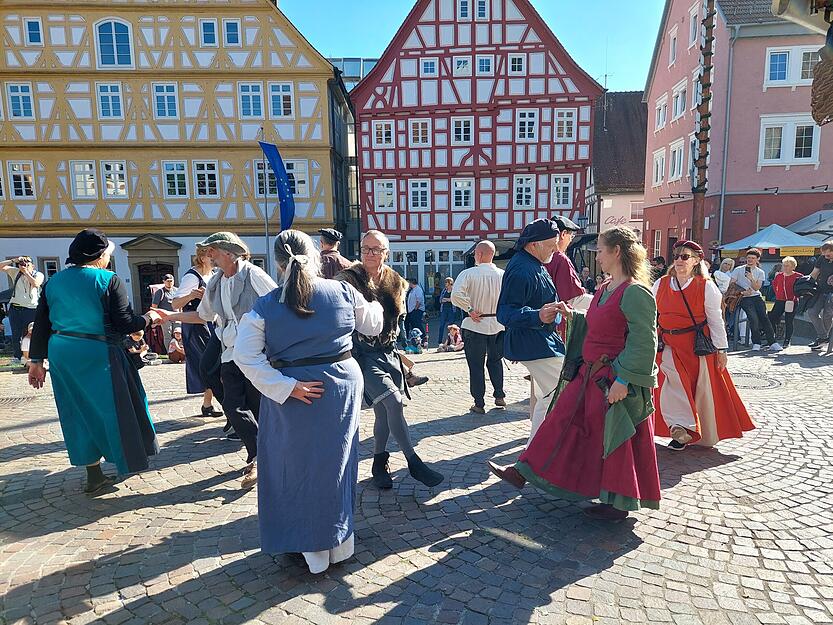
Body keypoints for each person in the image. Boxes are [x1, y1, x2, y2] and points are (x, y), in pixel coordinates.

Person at [234, 230, 384, 574]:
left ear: (277, 263)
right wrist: (373, 295)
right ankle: (339, 545)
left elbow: (245, 355)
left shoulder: (267, 305)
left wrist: (285, 386)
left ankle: (313, 550)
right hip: (339, 387)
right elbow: (374, 325)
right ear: (315, 256)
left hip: (296, 391)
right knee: (337, 463)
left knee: (296, 468)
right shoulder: (344, 290)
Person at [488, 227, 661, 521]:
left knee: (613, 438)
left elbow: (644, 340)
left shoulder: (635, 292)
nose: (599, 257)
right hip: (589, 375)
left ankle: (617, 502)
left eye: (602, 251)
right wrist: (573, 317)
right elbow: (598, 323)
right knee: (559, 419)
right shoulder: (606, 287)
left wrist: (623, 380)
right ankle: (524, 471)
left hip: (612, 380)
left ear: (617, 252)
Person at [27, 229, 162, 494]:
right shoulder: (108, 279)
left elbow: (42, 322)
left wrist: (35, 360)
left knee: (76, 410)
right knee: (113, 408)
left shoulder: (54, 282)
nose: (108, 260)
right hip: (98, 351)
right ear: (99, 255)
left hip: (62, 352)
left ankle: (94, 474)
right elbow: (125, 323)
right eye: (107, 254)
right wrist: (149, 319)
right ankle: (126, 459)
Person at [159, 232, 277, 489]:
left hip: (256, 350)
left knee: (254, 406)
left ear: (228, 252)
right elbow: (203, 316)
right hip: (230, 350)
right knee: (233, 405)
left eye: (212, 250)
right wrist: (169, 316)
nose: (208, 254)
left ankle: (263, 457)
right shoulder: (216, 282)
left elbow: (278, 304)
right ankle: (259, 455)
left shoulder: (252, 275)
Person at [336, 230, 444, 489]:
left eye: (376, 249)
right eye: (365, 249)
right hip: (361, 354)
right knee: (393, 403)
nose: (370, 254)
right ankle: (413, 462)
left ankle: (378, 462)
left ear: (386, 253)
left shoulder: (396, 281)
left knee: (383, 413)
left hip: (388, 354)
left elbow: (398, 322)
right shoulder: (347, 280)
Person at [652, 241, 754, 451]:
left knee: (698, 391)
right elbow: (651, 315)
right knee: (672, 382)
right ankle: (679, 429)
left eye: (685, 256)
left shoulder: (706, 286)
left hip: (696, 348)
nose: (679, 260)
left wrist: (722, 350)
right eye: (677, 256)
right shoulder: (660, 284)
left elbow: (716, 320)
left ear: (696, 261)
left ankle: (692, 431)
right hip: (668, 345)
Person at [497, 219, 564, 442]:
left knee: (549, 395)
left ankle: (535, 453)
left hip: (540, 340)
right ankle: (538, 454)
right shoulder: (522, 269)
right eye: (550, 245)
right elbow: (504, 313)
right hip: (534, 342)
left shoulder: (532, 264)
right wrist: (537, 315)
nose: (555, 249)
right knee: (562, 391)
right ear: (533, 244)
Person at [451, 241, 507, 414]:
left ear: (480, 254)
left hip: (475, 324)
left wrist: (470, 309)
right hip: (497, 324)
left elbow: (456, 295)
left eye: (476, 253)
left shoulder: (468, 273)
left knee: (476, 366)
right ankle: (499, 395)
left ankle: (479, 402)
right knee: (496, 362)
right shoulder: (503, 275)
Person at [172, 247, 222, 418]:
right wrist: (192, 296)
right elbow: (175, 303)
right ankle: (220, 406)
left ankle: (207, 405)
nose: (213, 258)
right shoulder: (192, 277)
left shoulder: (214, 273)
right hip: (196, 327)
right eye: (210, 255)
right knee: (210, 366)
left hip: (211, 323)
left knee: (214, 365)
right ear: (202, 258)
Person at [729, 248, 781, 351]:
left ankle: (772, 342)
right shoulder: (738, 269)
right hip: (744, 297)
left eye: (753, 258)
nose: (750, 260)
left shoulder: (760, 272)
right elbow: (731, 284)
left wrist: (751, 278)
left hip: (756, 296)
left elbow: (757, 287)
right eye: (748, 258)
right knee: (753, 318)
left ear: (757, 259)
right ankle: (756, 342)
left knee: (764, 318)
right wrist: (742, 292)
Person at [1, 256, 44, 366]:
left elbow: (36, 284)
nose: (24, 265)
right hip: (15, 308)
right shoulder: (16, 272)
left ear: (33, 265)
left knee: (33, 333)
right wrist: (14, 260)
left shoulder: (38, 274)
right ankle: (18, 356)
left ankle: (36, 356)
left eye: (27, 263)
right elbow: (1, 266)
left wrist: (26, 272)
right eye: (22, 263)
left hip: (31, 308)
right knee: (16, 334)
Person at [544, 216, 593, 311]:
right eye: (571, 236)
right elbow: (574, 299)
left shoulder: (539, 255)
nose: (570, 240)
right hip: (555, 317)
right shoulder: (560, 259)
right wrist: (602, 302)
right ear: (563, 234)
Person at [767, 257, 803, 348]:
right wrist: (779, 294)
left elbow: (802, 289)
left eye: (787, 266)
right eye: (784, 266)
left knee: (789, 320)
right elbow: (774, 286)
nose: (785, 267)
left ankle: (787, 340)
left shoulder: (798, 276)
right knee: (771, 317)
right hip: (780, 300)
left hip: (792, 301)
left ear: (793, 267)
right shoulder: (779, 275)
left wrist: (796, 296)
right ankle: (772, 338)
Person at [807, 241, 833, 350]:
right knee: (812, 312)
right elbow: (814, 273)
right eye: (824, 255)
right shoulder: (822, 259)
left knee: (827, 315)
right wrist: (805, 283)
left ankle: (823, 339)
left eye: (828, 255)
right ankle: (823, 338)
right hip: (821, 290)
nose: (826, 257)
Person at [151, 274, 178, 349]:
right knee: (168, 336)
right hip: (165, 318)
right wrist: (156, 319)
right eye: (168, 281)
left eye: (171, 281)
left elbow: (180, 304)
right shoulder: (160, 292)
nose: (170, 283)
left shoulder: (177, 290)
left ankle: (179, 353)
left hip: (176, 316)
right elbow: (154, 306)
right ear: (164, 281)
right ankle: (170, 353)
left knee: (178, 334)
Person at [436, 277, 462, 344]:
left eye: (446, 282)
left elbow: (454, 300)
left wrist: (446, 299)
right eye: (445, 282)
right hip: (444, 309)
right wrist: (448, 299)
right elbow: (440, 300)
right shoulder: (444, 290)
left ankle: (451, 340)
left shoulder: (454, 290)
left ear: (450, 283)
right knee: (441, 325)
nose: (445, 284)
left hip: (451, 310)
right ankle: (439, 341)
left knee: (451, 326)